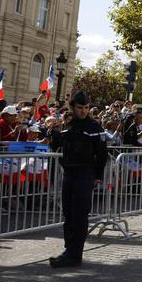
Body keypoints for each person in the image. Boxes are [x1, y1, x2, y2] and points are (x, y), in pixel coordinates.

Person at [48, 91, 108, 268]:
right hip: (69, 174)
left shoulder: (94, 127)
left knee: (79, 216)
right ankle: (69, 250)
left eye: (86, 107)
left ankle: (75, 254)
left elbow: (102, 154)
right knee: (68, 214)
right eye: (80, 107)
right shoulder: (68, 125)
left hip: (85, 174)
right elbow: (60, 148)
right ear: (73, 108)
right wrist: (55, 134)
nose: (83, 111)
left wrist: (98, 176)